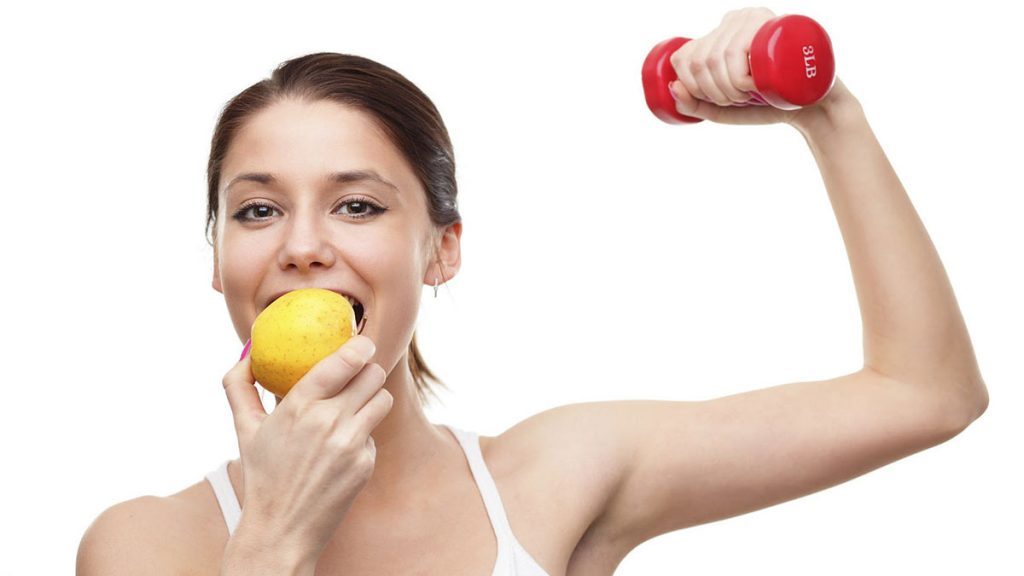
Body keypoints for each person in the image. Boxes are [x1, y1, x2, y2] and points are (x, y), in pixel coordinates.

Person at [77, 7, 988, 575]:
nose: (303, 246)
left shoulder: (556, 481)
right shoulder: (144, 548)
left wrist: (828, 117)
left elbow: (925, 394)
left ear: (441, 252)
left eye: (356, 205)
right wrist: (272, 542)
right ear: (217, 261)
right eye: (257, 211)